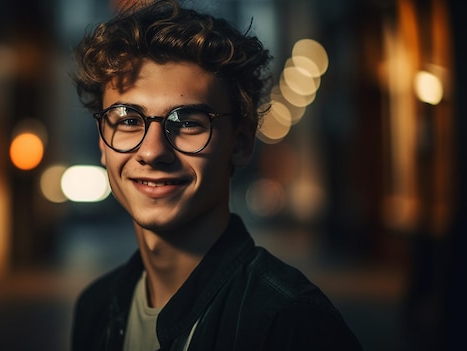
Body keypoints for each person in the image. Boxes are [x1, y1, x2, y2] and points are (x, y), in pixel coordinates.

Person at [70, 1, 362, 350]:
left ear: (240, 143)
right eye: (129, 120)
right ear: (103, 144)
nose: (152, 151)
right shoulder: (96, 308)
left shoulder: (292, 323)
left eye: (189, 123)